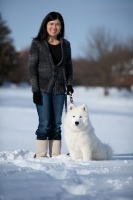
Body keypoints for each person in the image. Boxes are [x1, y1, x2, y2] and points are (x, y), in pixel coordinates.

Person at [28, 12, 74, 158]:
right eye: (51, 24)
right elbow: (32, 68)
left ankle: (55, 155)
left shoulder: (65, 45)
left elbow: (68, 66)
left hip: (60, 88)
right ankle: (41, 155)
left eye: (58, 24)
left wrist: (69, 84)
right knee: (45, 123)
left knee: (57, 123)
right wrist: (35, 89)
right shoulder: (37, 43)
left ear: (61, 26)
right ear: (46, 25)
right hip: (42, 88)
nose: (54, 27)